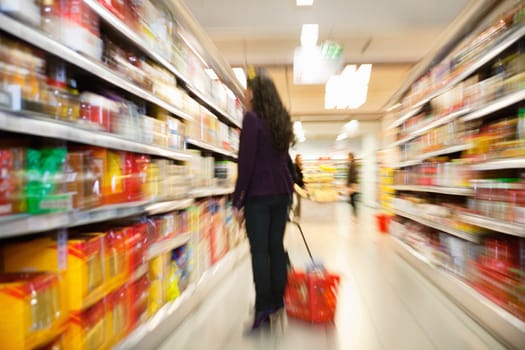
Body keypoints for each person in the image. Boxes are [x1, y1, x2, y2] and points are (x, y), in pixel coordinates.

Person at [232, 73, 294, 330]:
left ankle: (262, 310)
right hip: (282, 193)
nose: (245, 96)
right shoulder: (281, 120)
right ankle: (277, 302)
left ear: (254, 93)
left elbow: (246, 165)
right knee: (275, 248)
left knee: (260, 252)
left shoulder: (252, 119)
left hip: (259, 194)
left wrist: (237, 202)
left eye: (247, 91)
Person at [292, 154, 305, 219]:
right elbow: (296, 177)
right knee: (299, 201)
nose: (301, 160)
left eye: (301, 158)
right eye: (300, 158)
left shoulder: (300, 166)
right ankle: (297, 215)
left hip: (301, 185)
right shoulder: (294, 166)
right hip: (297, 186)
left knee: (299, 201)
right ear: (297, 159)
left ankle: (296, 213)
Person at [346, 152, 359, 217]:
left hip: (352, 183)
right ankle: (354, 211)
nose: (347, 158)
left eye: (348, 157)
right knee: (352, 197)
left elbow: (351, 175)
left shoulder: (352, 164)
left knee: (352, 197)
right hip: (353, 182)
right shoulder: (353, 164)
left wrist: (349, 184)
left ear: (350, 157)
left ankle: (355, 211)